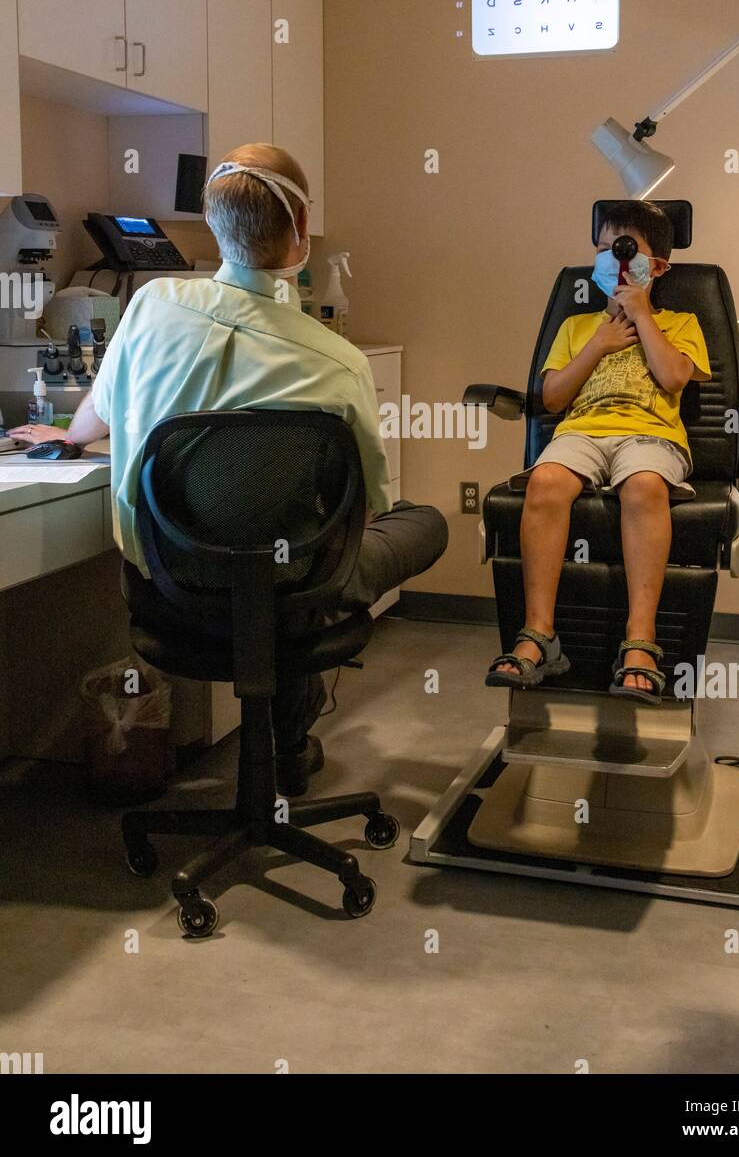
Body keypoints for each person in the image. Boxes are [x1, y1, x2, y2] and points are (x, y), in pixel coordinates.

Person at [13, 143, 447, 790]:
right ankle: (290, 743)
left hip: (168, 592)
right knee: (409, 524)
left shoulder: (150, 308)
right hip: (290, 588)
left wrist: (66, 438)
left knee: (276, 550)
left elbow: (95, 418)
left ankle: (284, 738)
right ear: (300, 231)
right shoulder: (339, 363)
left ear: (216, 227)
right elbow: (371, 505)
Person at [487, 199, 710, 701]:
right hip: (582, 432)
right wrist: (599, 343)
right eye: (606, 250)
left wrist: (640, 314)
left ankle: (640, 641)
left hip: (649, 436)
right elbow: (552, 398)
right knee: (544, 483)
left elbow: (675, 376)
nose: (616, 260)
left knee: (644, 487)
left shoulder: (680, 323)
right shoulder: (577, 327)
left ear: (657, 267)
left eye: (628, 252)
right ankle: (540, 634)